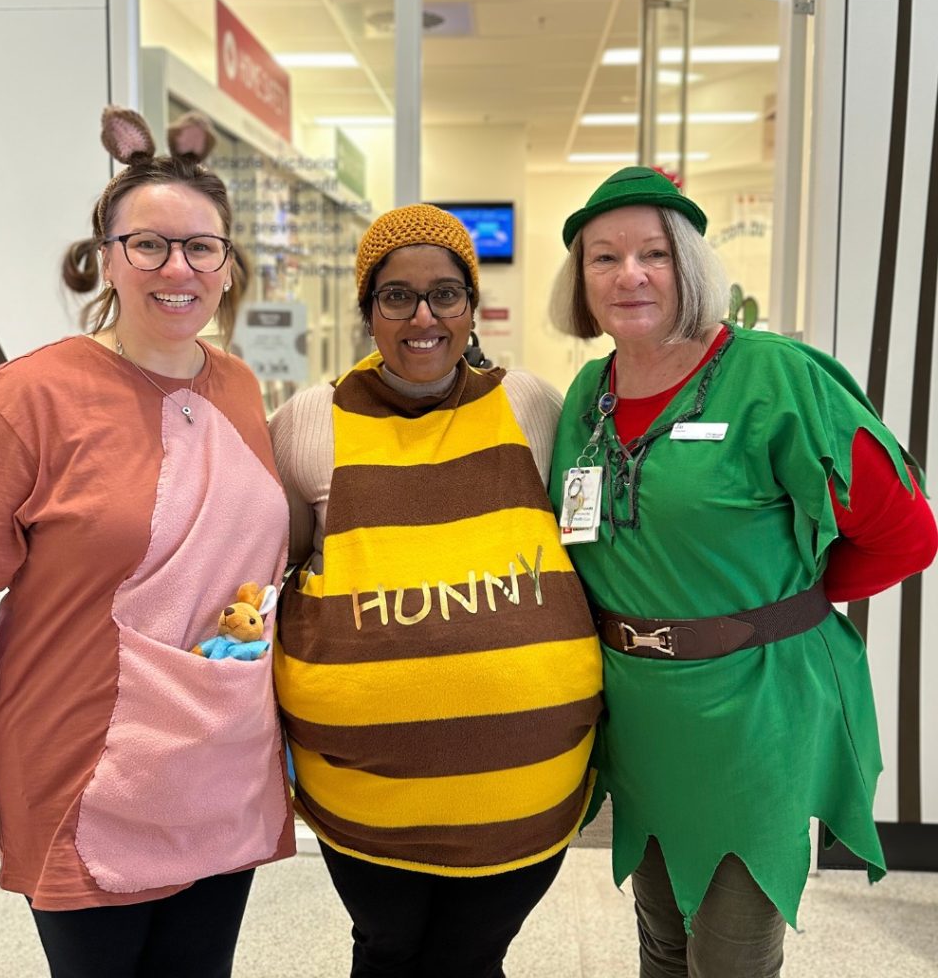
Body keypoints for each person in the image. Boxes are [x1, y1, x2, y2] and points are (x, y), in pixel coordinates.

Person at [0, 106, 294, 978]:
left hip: (220, 762)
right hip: (83, 762)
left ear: (227, 265)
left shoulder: (240, 388)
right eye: (149, 245)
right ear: (106, 257)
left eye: (203, 248)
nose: (179, 269)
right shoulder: (22, 401)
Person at [548, 165, 938, 977]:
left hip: (756, 707)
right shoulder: (590, 393)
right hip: (641, 710)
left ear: (690, 266)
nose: (630, 276)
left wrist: (776, 612)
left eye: (653, 253)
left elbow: (904, 535)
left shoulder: (776, 377)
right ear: (579, 280)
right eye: (603, 258)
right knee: (659, 935)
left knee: (730, 953)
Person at [269, 203, 604, 978]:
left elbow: (591, 552)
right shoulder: (309, 422)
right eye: (397, 296)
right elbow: (268, 570)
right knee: (386, 950)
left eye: (445, 294)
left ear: (471, 305)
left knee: (473, 956)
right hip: (364, 801)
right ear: (367, 311)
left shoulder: (531, 405)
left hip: (525, 793)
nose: (423, 316)